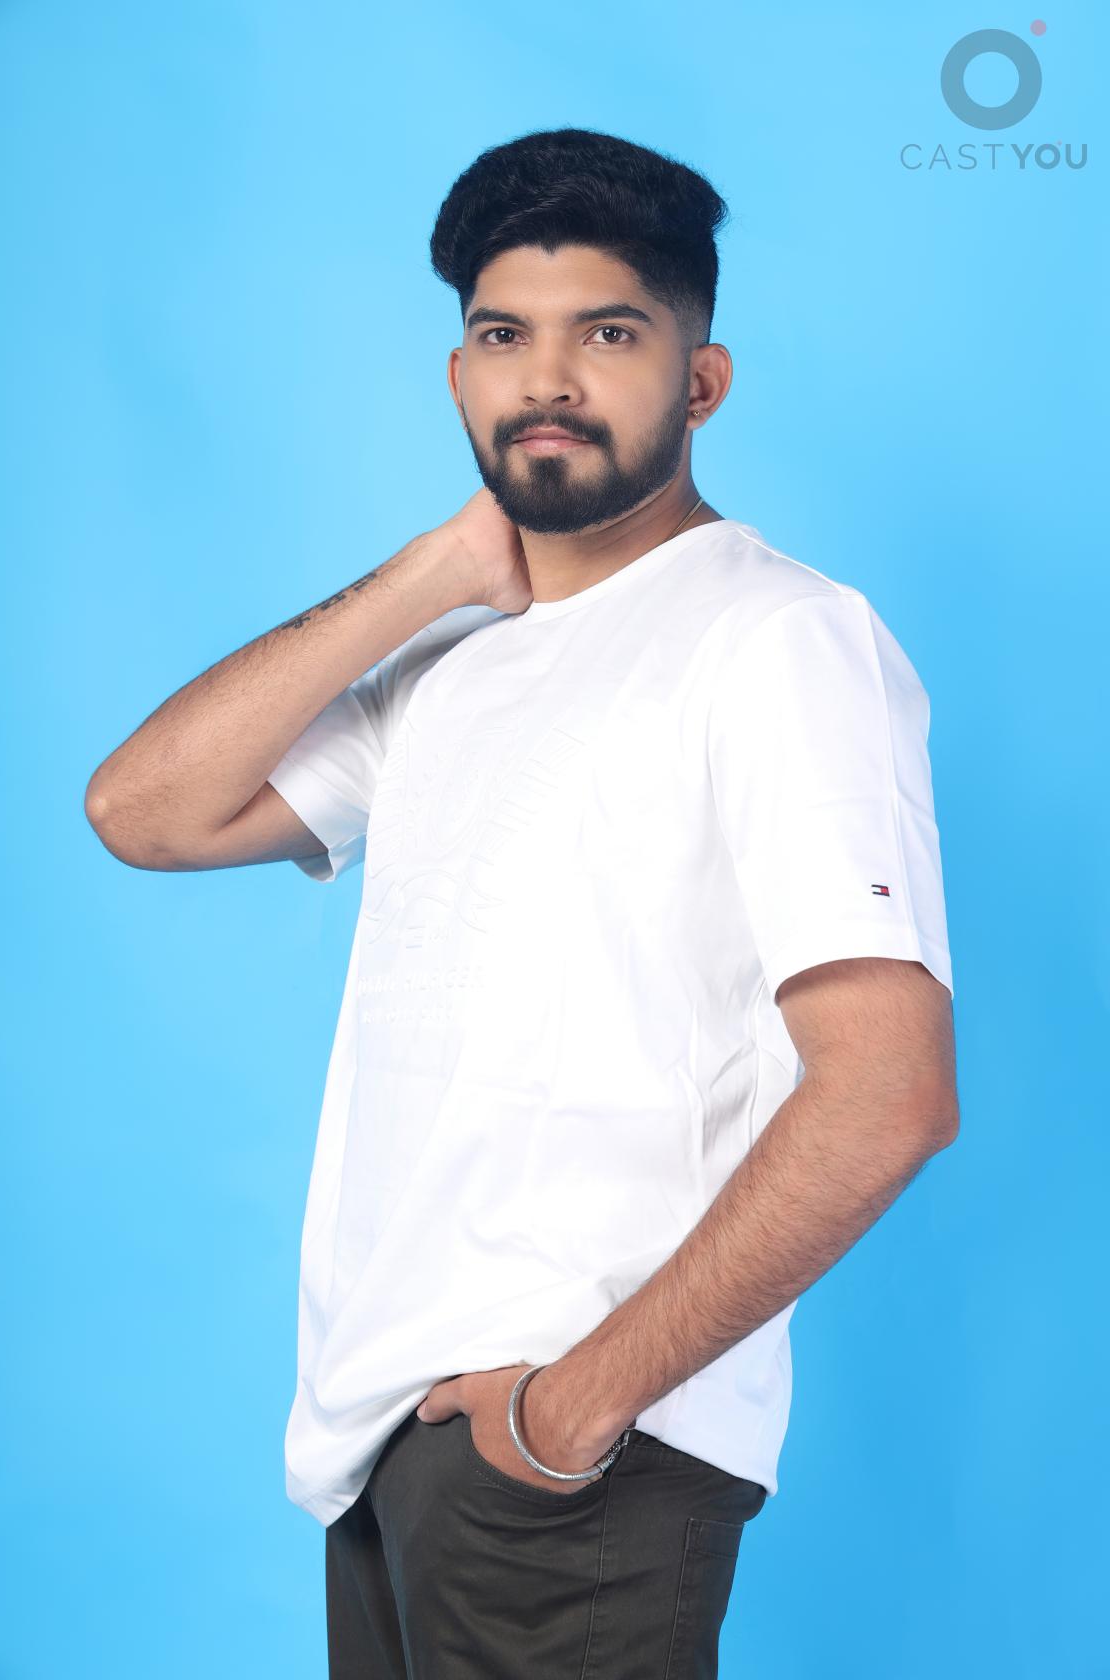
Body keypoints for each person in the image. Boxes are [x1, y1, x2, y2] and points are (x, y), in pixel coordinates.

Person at [85, 126, 960, 1679]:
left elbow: (888, 1092)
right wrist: (434, 572)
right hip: (390, 1445)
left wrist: (571, 1411)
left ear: (701, 380)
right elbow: (144, 810)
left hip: (578, 1457)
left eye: (607, 334)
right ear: (458, 375)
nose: (546, 378)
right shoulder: (455, 668)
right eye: (504, 337)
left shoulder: (778, 637)